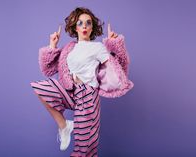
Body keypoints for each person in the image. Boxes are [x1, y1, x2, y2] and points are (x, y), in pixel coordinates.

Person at [30, 7, 134, 157]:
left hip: (88, 97)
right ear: (75, 27)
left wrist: (115, 44)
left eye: (88, 23)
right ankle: (64, 126)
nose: (84, 26)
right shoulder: (69, 48)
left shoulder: (98, 47)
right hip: (71, 91)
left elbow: (119, 67)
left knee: (84, 148)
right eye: (80, 23)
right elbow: (48, 69)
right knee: (41, 88)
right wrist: (52, 45)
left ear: (93, 28)